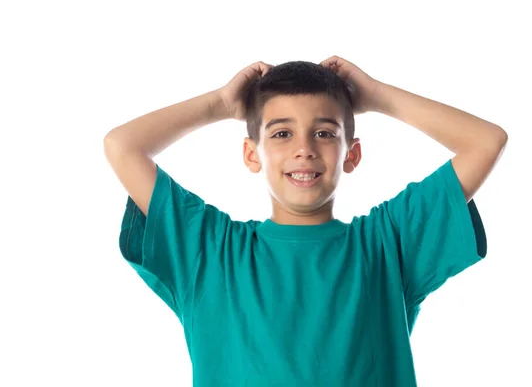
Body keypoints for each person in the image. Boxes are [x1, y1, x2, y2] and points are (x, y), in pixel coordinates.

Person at [104, 55, 508, 386]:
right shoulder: (209, 251)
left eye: (325, 133)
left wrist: (378, 96)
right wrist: (220, 105)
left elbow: (486, 141)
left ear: (351, 155)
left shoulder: (387, 243)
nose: (304, 150)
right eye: (281, 134)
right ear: (252, 154)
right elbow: (122, 147)